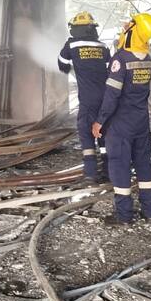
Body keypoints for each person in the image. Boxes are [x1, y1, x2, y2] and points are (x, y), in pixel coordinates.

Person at [92, 13, 151, 225]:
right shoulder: (147, 59)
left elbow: (112, 95)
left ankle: (124, 215)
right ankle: (150, 210)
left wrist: (100, 121)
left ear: (135, 30)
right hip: (141, 122)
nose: (125, 26)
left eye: (130, 24)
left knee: (119, 166)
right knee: (143, 164)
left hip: (121, 124)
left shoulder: (121, 60)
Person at [58, 11, 111, 184]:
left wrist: (72, 69)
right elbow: (110, 71)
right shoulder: (103, 47)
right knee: (104, 134)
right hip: (106, 99)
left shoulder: (72, 45)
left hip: (88, 100)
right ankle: (109, 172)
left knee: (86, 132)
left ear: (75, 29)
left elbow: (62, 63)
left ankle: (91, 174)